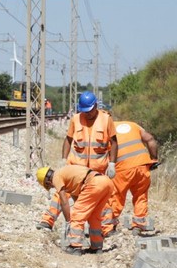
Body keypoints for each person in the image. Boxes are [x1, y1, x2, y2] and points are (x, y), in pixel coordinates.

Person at [37, 91, 118, 233]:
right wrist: (64, 159)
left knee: (101, 198)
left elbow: (114, 142)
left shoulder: (106, 119)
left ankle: (106, 229)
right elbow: (68, 139)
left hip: (97, 171)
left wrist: (112, 163)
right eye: (84, 111)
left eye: (89, 111)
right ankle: (47, 221)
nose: (87, 114)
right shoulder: (76, 119)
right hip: (76, 167)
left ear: (95, 106)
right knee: (60, 192)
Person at [36, 165, 115, 254]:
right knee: (94, 216)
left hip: (94, 184)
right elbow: (77, 198)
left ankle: (75, 246)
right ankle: (96, 247)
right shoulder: (66, 175)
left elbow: (64, 201)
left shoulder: (56, 177)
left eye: (50, 186)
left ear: (47, 182)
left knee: (76, 215)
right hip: (106, 182)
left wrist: (68, 221)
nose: (53, 187)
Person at [109, 120, 159, 236]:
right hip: (142, 165)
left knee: (117, 196)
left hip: (122, 168)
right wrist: (154, 159)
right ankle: (138, 225)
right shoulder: (133, 125)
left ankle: (110, 225)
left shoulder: (107, 128)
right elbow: (150, 140)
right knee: (141, 195)